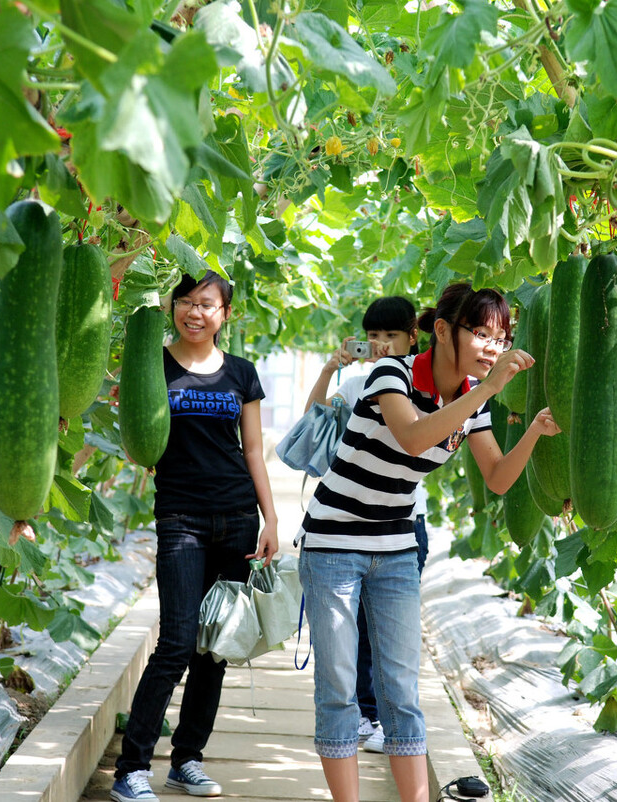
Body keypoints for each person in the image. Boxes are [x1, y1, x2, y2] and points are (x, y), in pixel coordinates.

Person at [297, 283, 560, 802]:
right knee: (339, 688)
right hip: (332, 542)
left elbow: (499, 478)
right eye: (481, 334)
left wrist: (530, 431)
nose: (493, 346)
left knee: (400, 692)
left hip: (395, 547)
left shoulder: (473, 401)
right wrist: (482, 390)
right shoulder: (389, 374)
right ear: (442, 330)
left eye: (501, 337)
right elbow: (414, 437)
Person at [111, 271, 279, 802]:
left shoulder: (242, 374)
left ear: (224, 313)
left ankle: (187, 759)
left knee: (214, 647)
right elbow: (137, 431)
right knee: (178, 642)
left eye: (205, 303)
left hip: (236, 515)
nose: (193, 311)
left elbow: (253, 451)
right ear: (172, 308)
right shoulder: (151, 364)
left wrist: (271, 518)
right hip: (180, 516)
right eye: (184, 301)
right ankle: (131, 768)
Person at [300, 296, 424, 753]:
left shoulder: (424, 383)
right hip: (346, 523)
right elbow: (311, 421)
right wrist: (329, 369)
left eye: (390, 336)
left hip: (403, 524)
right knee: (344, 639)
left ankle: (372, 717)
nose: (380, 345)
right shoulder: (355, 383)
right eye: (373, 337)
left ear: (413, 336)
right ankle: (357, 719)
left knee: (383, 638)